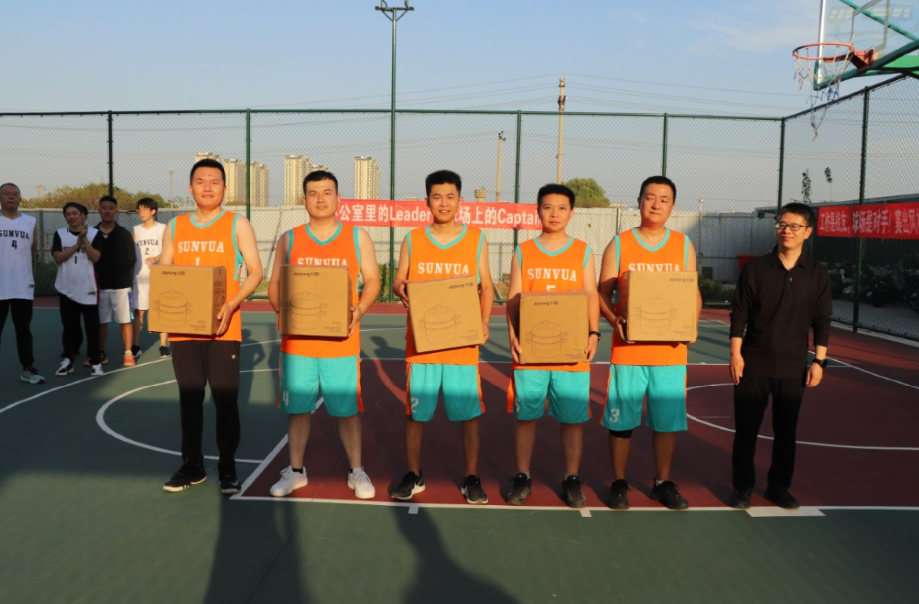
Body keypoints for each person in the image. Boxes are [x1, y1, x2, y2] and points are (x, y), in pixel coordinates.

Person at [266, 170, 381, 499]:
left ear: (338, 198)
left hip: (340, 344)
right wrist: (282, 310)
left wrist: (359, 310)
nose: (320, 198)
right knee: (298, 409)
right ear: (304, 200)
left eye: (327, 192)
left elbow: (373, 280)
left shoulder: (357, 237)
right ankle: (296, 471)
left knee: (347, 411)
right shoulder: (289, 239)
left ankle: (356, 471)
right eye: (313, 193)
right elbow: (275, 284)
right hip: (297, 345)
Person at [158, 158, 263, 495]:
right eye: (201, 181)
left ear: (225, 188)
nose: (207, 187)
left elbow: (256, 272)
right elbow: (165, 273)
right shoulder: (175, 227)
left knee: (225, 400)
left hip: (222, 328)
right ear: (190, 188)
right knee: (189, 399)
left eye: (214, 181)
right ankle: (192, 465)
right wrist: (163, 321)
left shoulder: (237, 224)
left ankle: (227, 467)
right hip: (184, 328)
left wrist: (232, 304)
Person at [390, 169, 495, 504]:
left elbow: (487, 286)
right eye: (437, 197)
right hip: (422, 345)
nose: (444, 203)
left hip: (461, 343)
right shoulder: (413, 239)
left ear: (460, 200)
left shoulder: (476, 238)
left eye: (450, 196)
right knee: (415, 414)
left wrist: (484, 320)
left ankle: (471, 477)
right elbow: (398, 279)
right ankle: (414, 474)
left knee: (469, 415)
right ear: (427, 201)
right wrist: (400, 288)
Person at [598, 175, 701, 510]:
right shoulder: (620, 244)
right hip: (629, 351)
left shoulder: (683, 246)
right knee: (621, 422)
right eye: (650, 197)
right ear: (639, 200)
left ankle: (662, 483)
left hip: (670, 353)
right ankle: (618, 483)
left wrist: (692, 324)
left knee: (665, 422)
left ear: (672, 206)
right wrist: (614, 321)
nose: (656, 204)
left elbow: (692, 292)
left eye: (664, 199)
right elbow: (602, 293)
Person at [728, 202, 832, 510]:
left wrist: (819, 361)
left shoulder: (817, 274)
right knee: (746, 430)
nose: (786, 231)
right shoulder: (756, 269)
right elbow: (739, 313)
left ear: (808, 232)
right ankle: (743, 487)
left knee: (786, 432)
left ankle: (778, 487)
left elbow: (822, 320)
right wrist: (735, 353)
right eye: (782, 225)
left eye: (794, 226)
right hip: (753, 364)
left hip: (792, 367)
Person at [504, 183, 600, 508]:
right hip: (532, 349)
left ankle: (571, 478)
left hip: (571, 349)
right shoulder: (523, 251)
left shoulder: (583, 251)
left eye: (561, 208)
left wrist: (593, 332)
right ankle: (522, 476)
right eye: (547, 207)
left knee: (572, 419)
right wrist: (513, 335)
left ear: (571, 213)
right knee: (526, 417)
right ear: (538, 211)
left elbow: (591, 295)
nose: (554, 213)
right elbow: (514, 297)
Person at [52, 202, 103, 376]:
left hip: (88, 288)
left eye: (75, 213)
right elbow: (58, 257)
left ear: (83, 216)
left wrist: (84, 239)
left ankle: (95, 361)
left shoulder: (95, 233)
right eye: (68, 214)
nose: (71, 216)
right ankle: (68, 360)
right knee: (69, 327)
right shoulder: (60, 234)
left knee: (92, 328)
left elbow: (95, 257)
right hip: (66, 288)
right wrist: (76, 245)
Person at [0, 183, 44, 384]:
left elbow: (32, 249)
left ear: (19, 198)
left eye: (15, 194)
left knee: (24, 331)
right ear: (0, 197)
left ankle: (28, 369)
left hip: (22, 285)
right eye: (6, 193)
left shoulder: (30, 221)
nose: (11, 197)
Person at [92, 196, 137, 367]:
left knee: (125, 321)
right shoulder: (92, 233)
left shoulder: (124, 234)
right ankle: (100, 353)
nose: (107, 211)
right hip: (99, 287)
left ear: (116, 211)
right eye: (104, 208)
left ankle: (128, 353)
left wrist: (120, 274)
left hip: (121, 287)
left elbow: (131, 259)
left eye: (111, 208)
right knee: (101, 322)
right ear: (99, 210)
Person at [131, 197, 169, 359]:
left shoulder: (163, 228)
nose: (141, 212)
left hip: (158, 277)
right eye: (139, 210)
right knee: (139, 312)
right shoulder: (136, 230)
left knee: (161, 310)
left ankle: (163, 345)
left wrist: (156, 258)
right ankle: (135, 345)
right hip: (139, 277)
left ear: (153, 211)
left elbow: (168, 249)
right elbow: (131, 253)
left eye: (145, 209)